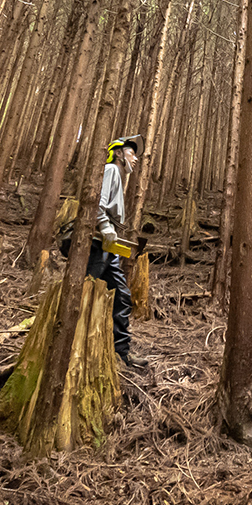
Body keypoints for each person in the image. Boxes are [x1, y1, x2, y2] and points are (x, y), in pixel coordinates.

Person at [89, 136, 149, 368]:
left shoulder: (116, 174)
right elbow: (96, 202)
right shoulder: (111, 170)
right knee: (88, 289)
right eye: (132, 153)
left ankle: (120, 353)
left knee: (121, 296)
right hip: (98, 244)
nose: (135, 158)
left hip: (107, 246)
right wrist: (104, 225)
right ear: (118, 153)